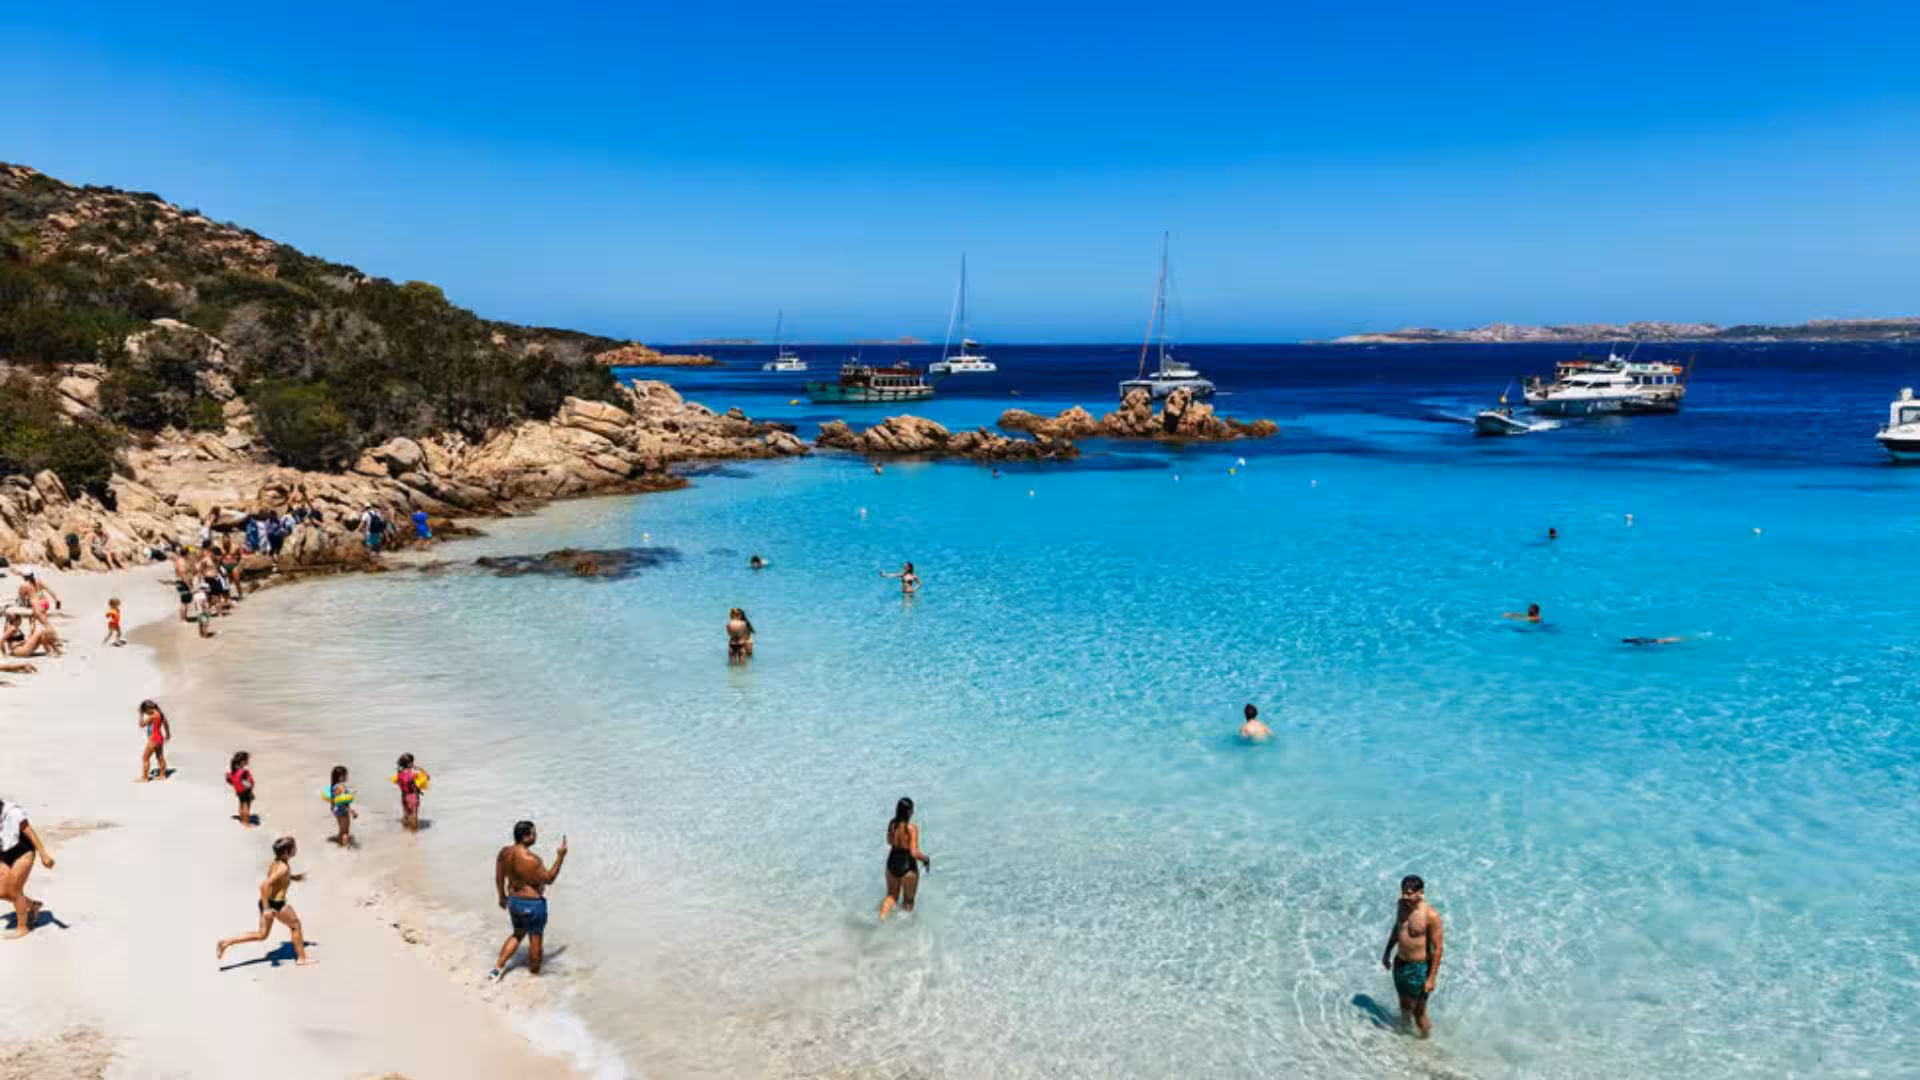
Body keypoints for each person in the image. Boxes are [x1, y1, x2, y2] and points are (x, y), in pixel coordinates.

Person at [216, 836, 314, 966]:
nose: (296, 849)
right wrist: (267, 909)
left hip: (266, 901)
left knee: (262, 935)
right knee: (295, 925)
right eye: (294, 848)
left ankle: (226, 942)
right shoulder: (283, 867)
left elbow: (277, 879)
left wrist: (293, 877)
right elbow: (264, 885)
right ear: (286, 852)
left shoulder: (277, 862)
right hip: (275, 904)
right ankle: (302, 958)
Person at [491, 820, 568, 979]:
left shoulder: (504, 852)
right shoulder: (531, 859)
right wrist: (560, 857)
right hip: (532, 905)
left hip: (514, 901)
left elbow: (499, 877)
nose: (536, 835)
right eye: (533, 833)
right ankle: (534, 978)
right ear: (525, 837)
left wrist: (502, 897)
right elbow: (549, 879)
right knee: (535, 938)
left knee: (517, 934)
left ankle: (497, 969)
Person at [1380, 874, 1445, 1038]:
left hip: (1418, 969)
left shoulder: (1431, 916)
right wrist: (1387, 952)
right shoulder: (1401, 905)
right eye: (1403, 892)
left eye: (1409, 893)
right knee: (1404, 1006)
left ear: (1421, 892)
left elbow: (1437, 949)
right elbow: (1397, 929)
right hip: (1400, 963)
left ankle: (1425, 1041)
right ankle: (1403, 1034)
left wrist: (1431, 978)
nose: (1405, 896)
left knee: (1419, 1012)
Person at [0, 797, 55, 938]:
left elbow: (28, 831)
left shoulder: (12, 812)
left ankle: (22, 927)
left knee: (14, 890)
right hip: (4, 852)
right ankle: (33, 905)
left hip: (23, 851)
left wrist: (43, 855)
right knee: (2, 892)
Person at [878, 797, 931, 920]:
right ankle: (904, 930)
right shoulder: (911, 828)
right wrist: (925, 859)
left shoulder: (892, 824)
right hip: (907, 866)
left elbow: (889, 841)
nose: (913, 812)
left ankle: (881, 918)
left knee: (891, 896)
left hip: (892, 862)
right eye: (912, 810)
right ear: (908, 812)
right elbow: (914, 853)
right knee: (908, 901)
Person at [137, 699, 171, 782]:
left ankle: (144, 778)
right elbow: (166, 724)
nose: (146, 714)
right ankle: (162, 775)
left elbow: (141, 725)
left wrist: (141, 715)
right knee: (160, 757)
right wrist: (167, 734)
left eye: (145, 712)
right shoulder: (160, 714)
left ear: (148, 709)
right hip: (160, 738)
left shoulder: (153, 716)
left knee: (145, 758)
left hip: (153, 740)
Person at [393, 753, 428, 832]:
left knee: (406, 814)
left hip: (404, 796)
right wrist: (421, 769)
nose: (413, 764)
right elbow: (427, 777)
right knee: (414, 815)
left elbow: (398, 782)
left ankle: (404, 830)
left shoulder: (399, 774)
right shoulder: (413, 774)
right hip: (413, 796)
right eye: (412, 762)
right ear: (409, 764)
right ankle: (413, 833)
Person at [325, 765, 357, 846]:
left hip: (337, 810)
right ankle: (345, 849)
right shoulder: (341, 787)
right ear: (340, 777)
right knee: (345, 831)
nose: (347, 776)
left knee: (341, 830)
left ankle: (340, 843)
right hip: (343, 811)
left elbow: (335, 800)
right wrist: (352, 811)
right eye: (346, 775)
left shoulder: (334, 786)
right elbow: (343, 801)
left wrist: (332, 808)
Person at [227, 751, 256, 827]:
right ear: (243, 762)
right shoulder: (243, 772)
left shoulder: (234, 770)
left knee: (242, 804)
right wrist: (250, 791)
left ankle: (243, 819)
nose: (248, 762)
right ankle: (245, 822)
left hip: (239, 791)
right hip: (245, 791)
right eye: (247, 760)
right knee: (246, 805)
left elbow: (230, 780)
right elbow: (246, 783)